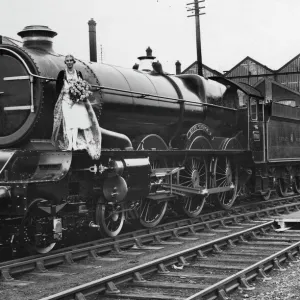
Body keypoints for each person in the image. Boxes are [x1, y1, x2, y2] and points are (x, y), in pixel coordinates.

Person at [51, 54, 102, 159]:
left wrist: (78, 94)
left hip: (76, 101)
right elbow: (58, 89)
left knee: (75, 123)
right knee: (69, 123)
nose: (69, 62)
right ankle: (69, 144)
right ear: (65, 62)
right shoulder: (62, 74)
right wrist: (66, 91)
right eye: (67, 61)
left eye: (71, 60)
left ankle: (74, 144)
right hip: (65, 100)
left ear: (74, 62)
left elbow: (82, 85)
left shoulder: (78, 73)